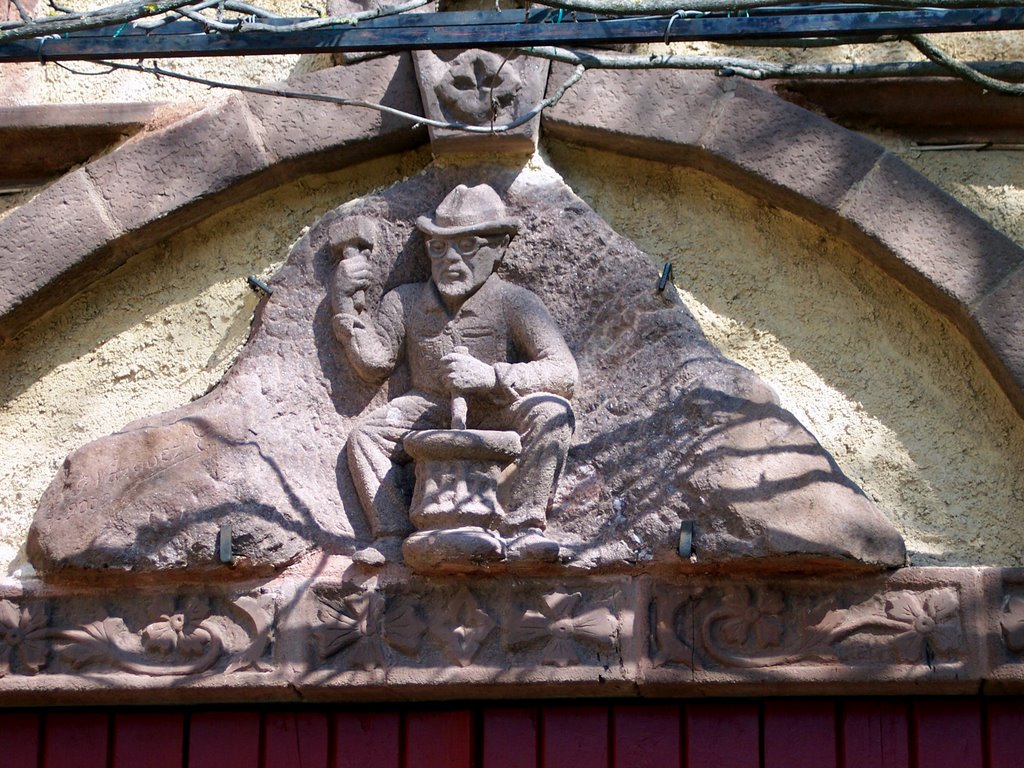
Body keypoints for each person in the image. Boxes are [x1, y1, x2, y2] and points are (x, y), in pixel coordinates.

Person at [332, 184, 578, 556]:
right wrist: (345, 304)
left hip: (498, 405)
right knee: (366, 436)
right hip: (429, 406)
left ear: (499, 248)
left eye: (467, 246)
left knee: (553, 413)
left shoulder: (514, 303)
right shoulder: (407, 301)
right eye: (438, 246)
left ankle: (524, 526)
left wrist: (492, 376)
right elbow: (374, 362)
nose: (450, 258)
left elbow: (564, 372)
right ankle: (391, 533)